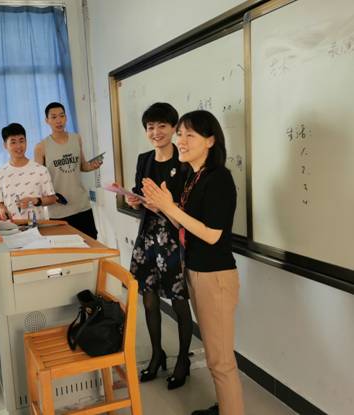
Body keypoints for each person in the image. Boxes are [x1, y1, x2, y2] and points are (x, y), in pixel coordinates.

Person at [142, 110, 244, 415]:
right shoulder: (192, 177)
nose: (181, 141)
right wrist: (162, 207)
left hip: (215, 277)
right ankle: (225, 407)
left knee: (220, 361)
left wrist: (170, 207)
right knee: (214, 355)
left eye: (190, 135)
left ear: (210, 141)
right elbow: (184, 226)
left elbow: (212, 234)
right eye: (180, 134)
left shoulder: (219, 179)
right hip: (197, 271)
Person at [126, 103, 193, 389]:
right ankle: (157, 354)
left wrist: (163, 206)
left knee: (178, 302)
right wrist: (133, 200)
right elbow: (140, 195)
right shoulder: (144, 159)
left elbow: (189, 207)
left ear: (174, 127)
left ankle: (183, 359)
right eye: (150, 127)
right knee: (149, 298)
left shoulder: (185, 160)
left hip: (174, 239)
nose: (156, 132)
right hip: (148, 236)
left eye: (162, 126)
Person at [34, 102, 101, 238]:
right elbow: (38, 181)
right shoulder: (41, 147)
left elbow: (82, 166)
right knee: (66, 247)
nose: (58, 120)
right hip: (59, 209)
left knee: (91, 242)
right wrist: (49, 197)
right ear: (47, 120)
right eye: (54, 117)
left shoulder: (76, 138)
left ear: (66, 118)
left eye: (62, 116)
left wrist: (92, 166)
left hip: (82, 205)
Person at [0, 122, 57, 220]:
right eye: (13, 142)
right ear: (5, 145)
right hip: (12, 226)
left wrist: (35, 201)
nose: (18, 146)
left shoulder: (41, 170)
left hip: (37, 225)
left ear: (26, 142)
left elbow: (52, 199)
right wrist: (2, 210)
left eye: (21, 141)